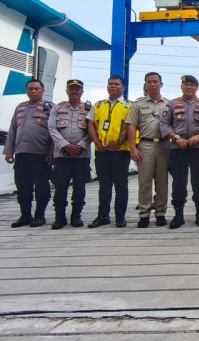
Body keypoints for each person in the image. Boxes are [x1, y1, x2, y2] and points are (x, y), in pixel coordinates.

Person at [159, 75, 199, 229]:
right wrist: (176, 138)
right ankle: (178, 214)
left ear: (197, 87)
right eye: (186, 85)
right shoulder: (172, 104)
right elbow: (163, 124)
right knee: (179, 182)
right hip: (178, 149)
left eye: (192, 85)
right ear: (181, 87)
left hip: (198, 148)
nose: (189, 87)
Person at [4, 79, 53, 228]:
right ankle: (25, 215)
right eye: (30, 89)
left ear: (42, 90)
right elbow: (12, 130)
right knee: (23, 187)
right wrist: (8, 151)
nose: (33, 91)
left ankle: (39, 215)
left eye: (37, 89)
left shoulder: (49, 108)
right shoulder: (20, 108)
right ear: (27, 90)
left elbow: (55, 132)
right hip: (21, 153)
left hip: (41, 154)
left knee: (41, 187)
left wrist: (52, 152)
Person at [87, 75, 132, 228]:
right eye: (110, 84)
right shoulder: (98, 105)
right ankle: (103, 216)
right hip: (102, 151)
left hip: (121, 151)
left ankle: (120, 217)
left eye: (117, 84)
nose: (113, 86)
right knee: (104, 185)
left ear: (123, 87)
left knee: (120, 185)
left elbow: (132, 127)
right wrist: (97, 143)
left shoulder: (129, 106)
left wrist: (119, 141)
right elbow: (91, 125)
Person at [127, 72, 170, 228]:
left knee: (162, 181)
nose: (152, 84)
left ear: (161, 84)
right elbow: (132, 126)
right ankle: (144, 214)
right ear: (145, 84)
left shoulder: (168, 104)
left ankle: (160, 213)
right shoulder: (137, 105)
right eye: (149, 82)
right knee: (144, 181)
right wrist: (133, 147)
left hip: (164, 145)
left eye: (155, 82)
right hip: (145, 145)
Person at [48, 79, 91, 229]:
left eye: (77, 89)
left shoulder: (89, 108)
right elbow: (52, 128)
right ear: (66, 91)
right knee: (60, 187)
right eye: (71, 89)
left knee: (79, 188)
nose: (74, 91)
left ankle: (76, 216)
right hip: (62, 155)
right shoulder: (58, 108)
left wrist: (80, 146)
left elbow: (92, 131)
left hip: (81, 155)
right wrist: (65, 145)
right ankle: (60, 217)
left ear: (82, 92)